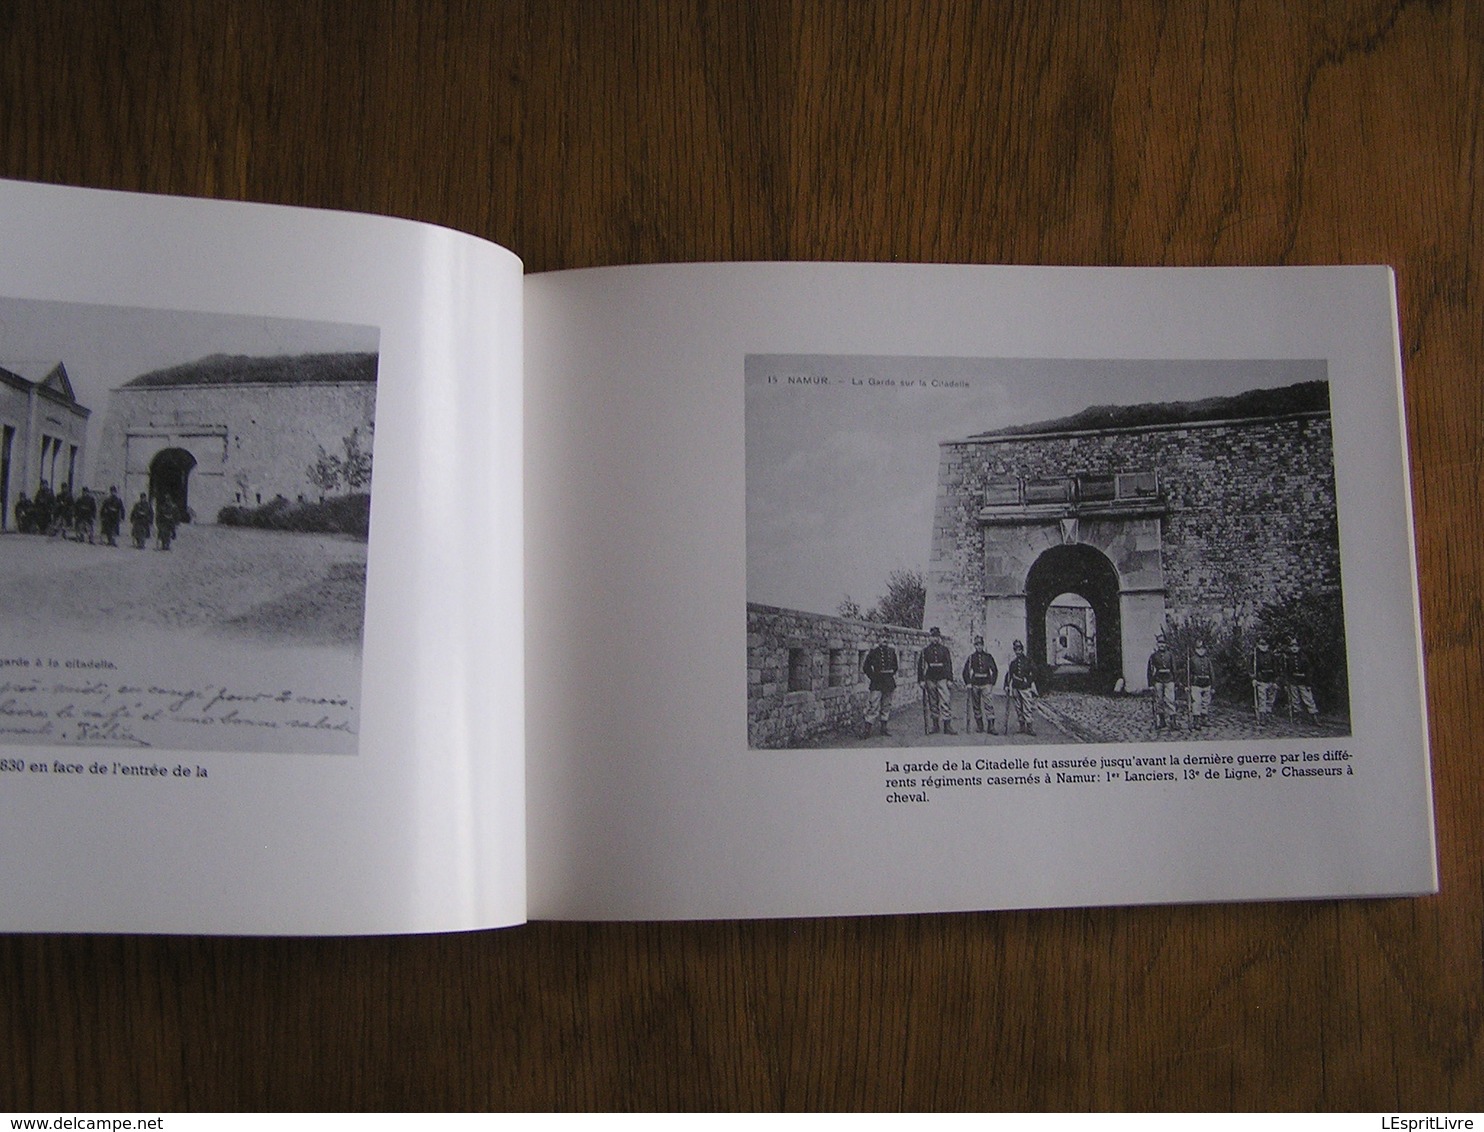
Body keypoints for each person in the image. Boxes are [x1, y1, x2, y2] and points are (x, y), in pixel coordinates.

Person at [860, 631, 900, 739]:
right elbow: (866, 667)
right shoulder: (874, 652)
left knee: (886, 705)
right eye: (882, 637)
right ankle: (867, 730)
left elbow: (895, 667)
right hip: (877, 683)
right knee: (873, 705)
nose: (885, 639)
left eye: (886, 637)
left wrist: (890, 674)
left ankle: (883, 728)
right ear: (879, 639)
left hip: (888, 682)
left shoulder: (892, 652)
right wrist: (873, 677)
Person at [917, 627, 956, 735]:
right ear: (930, 638)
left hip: (942, 678)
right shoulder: (925, 651)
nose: (935, 639)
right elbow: (920, 666)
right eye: (933, 637)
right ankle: (935, 725)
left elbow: (948, 665)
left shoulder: (944, 650)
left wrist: (949, 679)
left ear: (939, 637)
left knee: (945, 701)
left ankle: (947, 726)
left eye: (937, 637)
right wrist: (921, 680)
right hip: (930, 679)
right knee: (933, 702)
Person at [961, 635, 998, 734]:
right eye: (977, 645)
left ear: (983, 645)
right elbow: (965, 671)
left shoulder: (988, 657)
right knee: (976, 705)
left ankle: (991, 726)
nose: (979, 647)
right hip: (975, 684)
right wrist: (968, 683)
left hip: (986, 683)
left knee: (989, 704)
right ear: (974, 646)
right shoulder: (971, 658)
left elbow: (994, 670)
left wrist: (992, 682)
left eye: (980, 645)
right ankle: (980, 726)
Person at [1003, 640, 1038, 735]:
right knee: (1018, 707)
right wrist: (1006, 685)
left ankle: (1029, 727)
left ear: (1022, 650)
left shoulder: (1028, 661)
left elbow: (1035, 671)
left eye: (1019, 649)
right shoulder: (1013, 663)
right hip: (1016, 687)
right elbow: (1009, 675)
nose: (1017, 652)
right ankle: (1022, 726)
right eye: (1016, 650)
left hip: (1025, 687)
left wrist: (1029, 680)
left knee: (1027, 706)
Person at [1285, 636, 1320, 719]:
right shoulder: (1288, 658)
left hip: (1303, 681)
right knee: (1295, 699)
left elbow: (1309, 670)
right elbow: (1287, 671)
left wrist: (1308, 682)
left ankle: (1314, 716)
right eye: (1292, 646)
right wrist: (1287, 682)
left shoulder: (1303, 657)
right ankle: (1298, 716)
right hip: (1293, 681)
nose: (1294, 648)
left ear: (1299, 647)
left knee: (1308, 698)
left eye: (1296, 646)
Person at [1148, 632, 1177, 730]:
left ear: (1166, 644)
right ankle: (1162, 721)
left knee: (1170, 700)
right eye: (1160, 643)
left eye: (1163, 643)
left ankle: (1173, 721)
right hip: (1158, 680)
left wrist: (1175, 681)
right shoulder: (1153, 656)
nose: (1162, 645)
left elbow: (1174, 669)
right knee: (1159, 701)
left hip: (1169, 680)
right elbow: (1150, 670)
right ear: (1157, 644)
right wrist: (1151, 684)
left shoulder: (1170, 655)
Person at [1187, 637, 1215, 728]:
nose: (1201, 651)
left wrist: (1213, 686)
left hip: (1207, 683)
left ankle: (1204, 719)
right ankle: (1196, 721)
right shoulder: (1192, 660)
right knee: (1197, 702)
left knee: (1206, 702)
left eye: (1203, 649)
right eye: (1199, 649)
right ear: (1195, 649)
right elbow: (1187, 673)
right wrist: (1186, 685)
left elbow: (1211, 673)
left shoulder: (1207, 660)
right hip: (1196, 684)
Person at [1252, 636, 1281, 720]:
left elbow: (1276, 667)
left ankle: (1268, 712)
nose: (1263, 646)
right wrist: (1253, 678)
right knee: (1262, 698)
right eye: (1261, 644)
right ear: (1258, 645)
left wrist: (1276, 681)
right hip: (1261, 679)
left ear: (1268, 645)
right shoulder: (1255, 655)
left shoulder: (1271, 655)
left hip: (1271, 679)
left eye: (1265, 644)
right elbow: (1252, 668)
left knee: (1271, 698)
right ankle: (1262, 714)